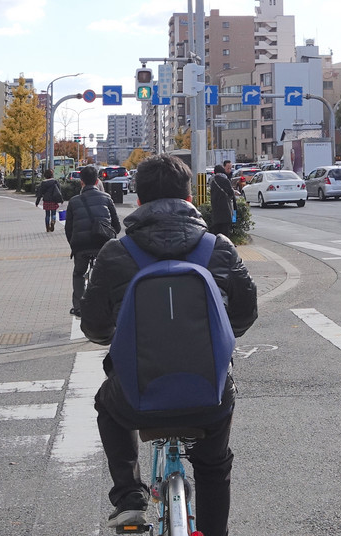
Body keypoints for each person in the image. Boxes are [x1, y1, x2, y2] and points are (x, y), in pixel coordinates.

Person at [81, 154, 258, 536]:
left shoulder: (115, 253)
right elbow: (245, 314)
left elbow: (93, 325)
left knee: (106, 405)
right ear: (190, 197)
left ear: (138, 199)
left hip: (136, 397)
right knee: (214, 465)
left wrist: (118, 336)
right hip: (210, 396)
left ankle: (130, 498)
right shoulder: (219, 248)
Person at [63, 165, 121, 317]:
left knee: (79, 274)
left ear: (81, 182)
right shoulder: (107, 198)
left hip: (81, 246)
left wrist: (74, 245)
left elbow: (68, 229)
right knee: (107, 273)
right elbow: (117, 226)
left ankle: (78, 307)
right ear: (97, 181)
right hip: (103, 244)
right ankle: (109, 304)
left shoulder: (74, 201)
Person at [207, 159, 235, 234]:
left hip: (216, 212)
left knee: (217, 232)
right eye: (228, 168)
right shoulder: (225, 180)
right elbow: (231, 193)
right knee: (225, 232)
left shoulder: (212, 181)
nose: (229, 170)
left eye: (230, 168)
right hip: (226, 211)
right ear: (223, 169)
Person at [34, 167, 64, 232]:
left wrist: (37, 202)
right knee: (53, 213)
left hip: (46, 200)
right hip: (54, 200)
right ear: (52, 175)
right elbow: (59, 192)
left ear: (45, 175)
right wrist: (61, 199)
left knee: (47, 214)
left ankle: (47, 228)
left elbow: (40, 193)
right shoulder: (55, 181)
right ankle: (53, 221)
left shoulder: (43, 183)